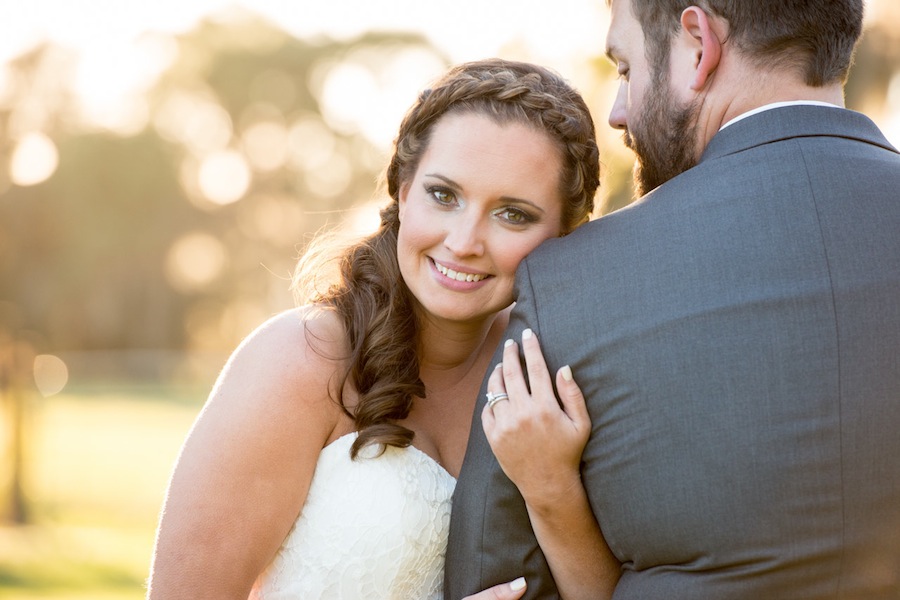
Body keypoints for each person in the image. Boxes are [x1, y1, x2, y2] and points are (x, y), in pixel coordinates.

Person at [446, 1, 900, 598]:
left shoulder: (571, 284)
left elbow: (495, 578)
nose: (617, 111)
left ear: (697, 43)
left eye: (627, 69)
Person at [146, 58, 620, 600]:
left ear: (567, 231)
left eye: (512, 214)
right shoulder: (299, 361)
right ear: (401, 186)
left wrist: (552, 488)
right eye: (444, 195)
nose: (464, 241)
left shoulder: (556, 374)